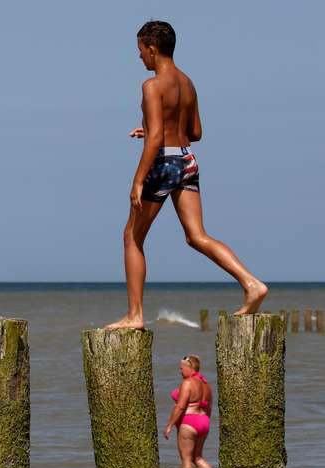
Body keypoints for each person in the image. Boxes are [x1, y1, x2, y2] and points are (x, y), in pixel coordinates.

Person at [106, 21, 267, 330]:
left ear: (152, 49)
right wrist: (156, 130)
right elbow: (195, 132)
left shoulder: (152, 86)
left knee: (132, 237)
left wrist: (138, 180)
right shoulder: (188, 83)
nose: (139, 58)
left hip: (163, 162)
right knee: (197, 236)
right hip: (187, 160)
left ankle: (135, 315)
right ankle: (251, 283)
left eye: (140, 52)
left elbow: (156, 141)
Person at [164, 355, 212, 468]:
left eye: (181, 368)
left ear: (189, 367)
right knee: (198, 458)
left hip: (189, 423)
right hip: (204, 421)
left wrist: (169, 426)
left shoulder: (187, 383)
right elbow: (209, 407)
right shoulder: (206, 384)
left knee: (186, 460)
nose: (180, 371)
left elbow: (180, 407)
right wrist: (204, 422)